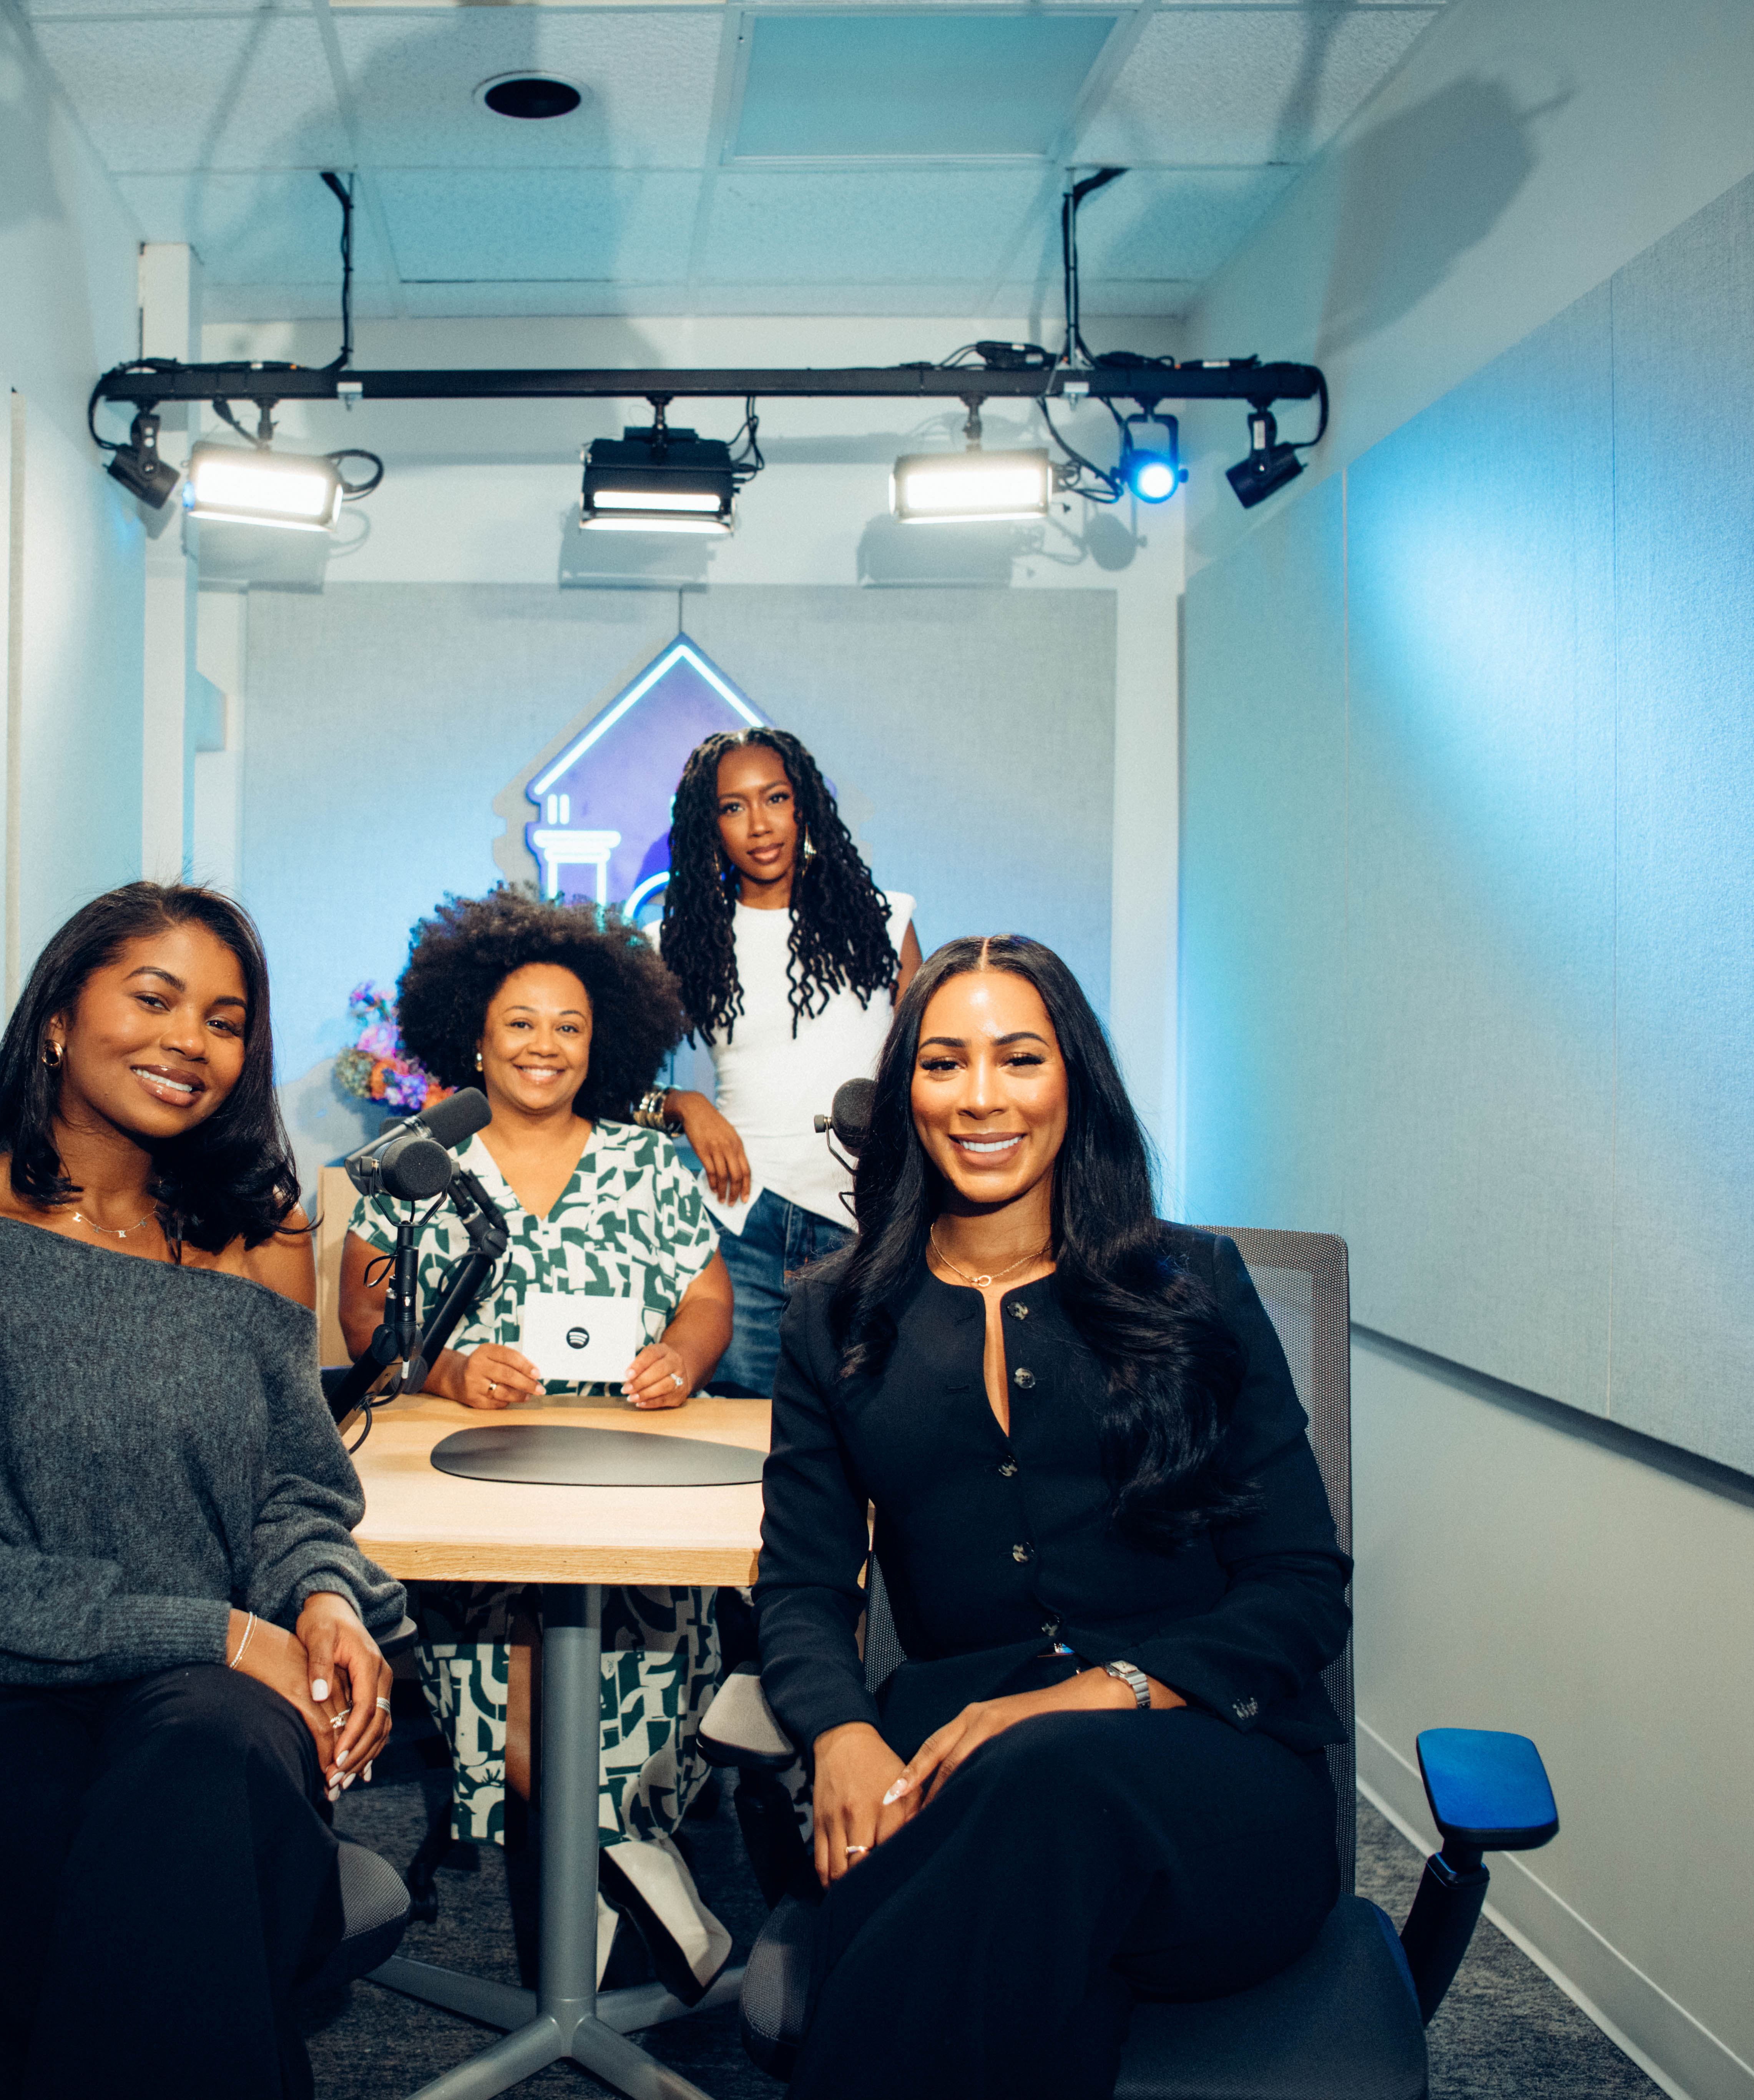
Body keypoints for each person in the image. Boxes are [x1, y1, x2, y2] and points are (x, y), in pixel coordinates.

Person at [0, 882, 405, 2100]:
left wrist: (327, 1600)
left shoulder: (252, 1239)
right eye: (155, 996)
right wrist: (226, 1631)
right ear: (60, 1020)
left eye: (226, 1020)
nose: (192, 1040)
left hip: (188, 1700)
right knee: (185, 1891)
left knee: (205, 1785)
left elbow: (292, 1486)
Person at [757, 934, 1352, 2099]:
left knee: (1041, 1786)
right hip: (954, 1779)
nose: (981, 1097)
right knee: (1015, 1901)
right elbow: (801, 1587)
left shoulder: (1196, 1287)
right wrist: (839, 1733)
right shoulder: (834, 1316)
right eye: (943, 1063)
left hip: (1209, 1793)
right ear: (906, 1094)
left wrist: (1095, 1693)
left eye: (1019, 1058)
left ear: (1072, 1079)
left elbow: (1297, 1583)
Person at [337, 887, 737, 1997]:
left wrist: (684, 1360)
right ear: (475, 1031)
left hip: (635, 1469)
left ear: (600, 1040)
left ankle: (607, 1870)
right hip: (472, 1474)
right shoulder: (422, 1163)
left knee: (644, 1646)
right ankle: (623, 1866)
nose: (544, 1045)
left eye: (568, 1025)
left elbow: (707, 1300)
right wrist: (451, 1370)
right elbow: (365, 1309)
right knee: (503, 1678)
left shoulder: (650, 1164)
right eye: (520, 1022)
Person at [646, 727, 922, 1398]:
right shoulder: (677, 939)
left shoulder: (887, 922)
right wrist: (686, 1105)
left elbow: (927, 1063)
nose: (759, 824)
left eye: (775, 798)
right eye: (732, 807)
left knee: (870, 1420)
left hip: (868, 1211)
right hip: (744, 1217)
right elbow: (612, 1082)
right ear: (707, 825)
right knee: (745, 1433)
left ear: (806, 807)